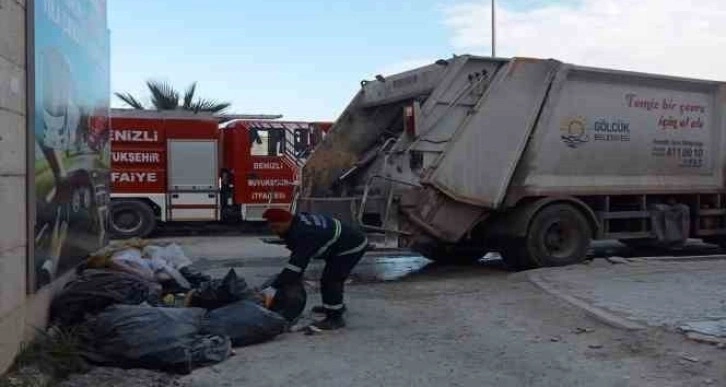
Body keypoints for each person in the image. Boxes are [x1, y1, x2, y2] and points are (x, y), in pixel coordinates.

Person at [261, 208, 368, 330]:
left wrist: (274, 287)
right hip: (339, 243)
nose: (275, 232)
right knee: (332, 276)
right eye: (272, 228)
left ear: (287, 221)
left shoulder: (305, 233)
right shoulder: (297, 223)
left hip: (351, 246)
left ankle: (335, 318)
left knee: (331, 279)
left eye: (276, 227)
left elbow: (295, 266)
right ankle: (333, 305)